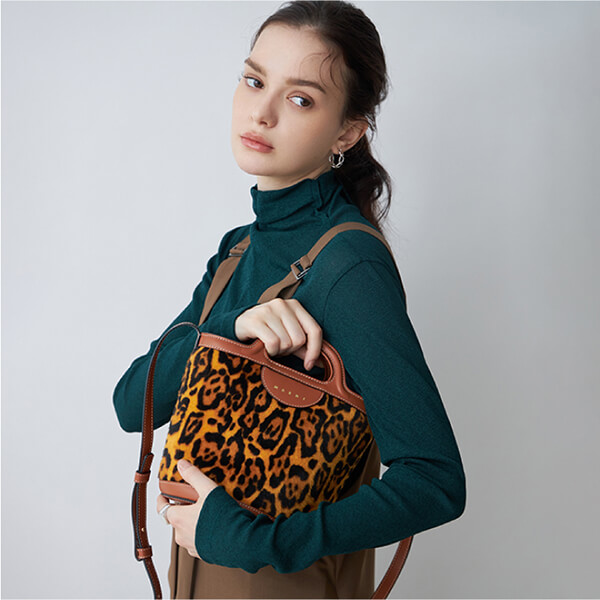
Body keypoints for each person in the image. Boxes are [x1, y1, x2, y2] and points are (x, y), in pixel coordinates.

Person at [113, 1, 466, 598]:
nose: (262, 112)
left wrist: (255, 540)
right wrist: (232, 327)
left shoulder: (349, 267)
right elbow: (132, 405)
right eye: (255, 81)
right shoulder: (238, 250)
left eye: (300, 99)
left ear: (347, 131)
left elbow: (435, 481)